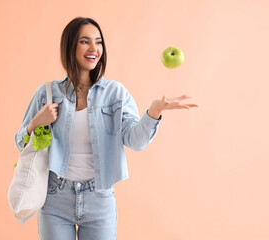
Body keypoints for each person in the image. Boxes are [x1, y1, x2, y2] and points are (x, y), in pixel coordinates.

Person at [15, 17, 198, 240]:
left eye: (98, 42)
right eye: (85, 41)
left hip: (99, 199)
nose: (94, 48)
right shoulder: (47, 93)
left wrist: (153, 112)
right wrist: (35, 123)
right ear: (70, 46)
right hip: (55, 198)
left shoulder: (115, 93)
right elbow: (20, 142)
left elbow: (135, 141)